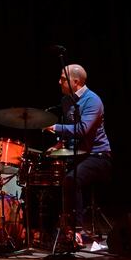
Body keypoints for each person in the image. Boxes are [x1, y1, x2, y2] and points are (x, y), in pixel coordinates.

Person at [43, 64, 113, 235]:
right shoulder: (66, 100)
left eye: (62, 79)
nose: (59, 82)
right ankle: (47, 230)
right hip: (78, 154)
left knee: (71, 180)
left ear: (76, 82)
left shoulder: (92, 100)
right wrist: (59, 144)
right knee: (49, 177)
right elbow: (70, 128)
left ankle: (76, 231)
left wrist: (55, 128)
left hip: (98, 155)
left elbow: (82, 129)